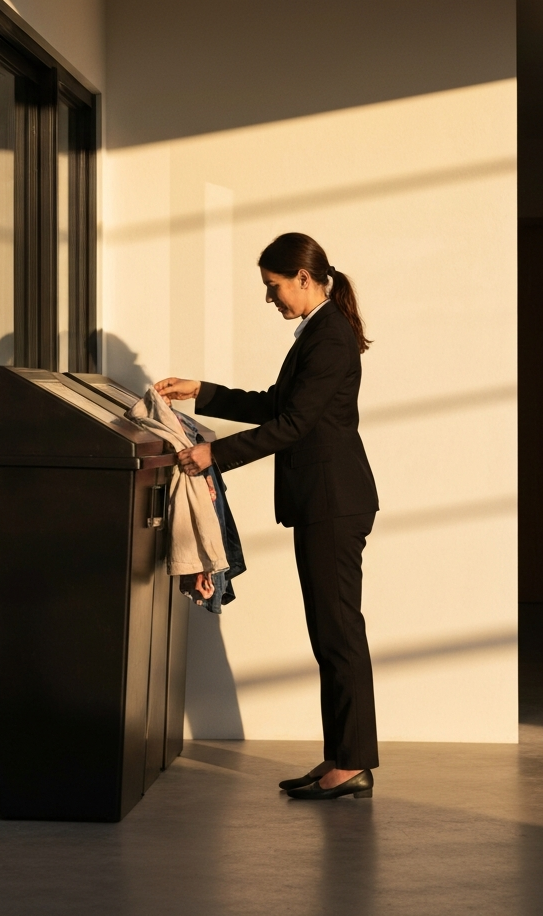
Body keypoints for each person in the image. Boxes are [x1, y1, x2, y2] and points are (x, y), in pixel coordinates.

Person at [155, 232, 380, 801]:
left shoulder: (328, 337)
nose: (270, 298)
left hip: (333, 502)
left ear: (304, 279)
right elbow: (275, 406)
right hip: (326, 501)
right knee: (331, 631)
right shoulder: (320, 332)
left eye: (273, 287)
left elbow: (294, 426)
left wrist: (214, 454)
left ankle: (351, 763)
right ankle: (342, 756)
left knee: (338, 633)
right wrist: (202, 391)